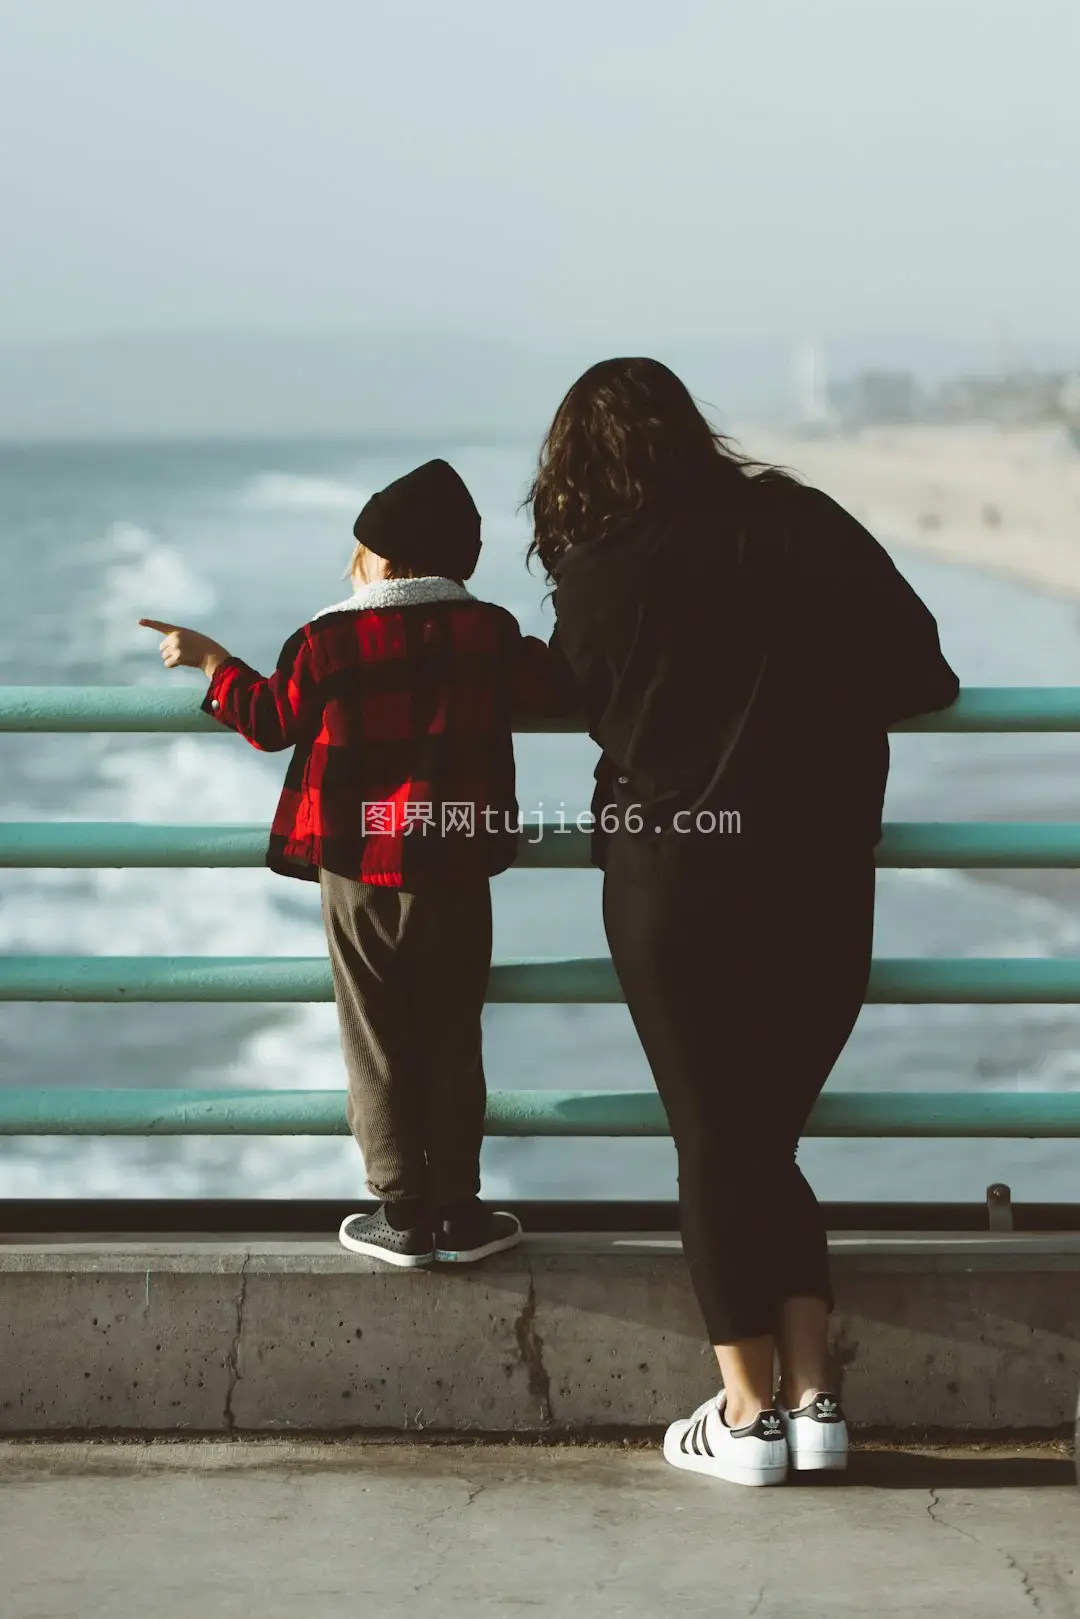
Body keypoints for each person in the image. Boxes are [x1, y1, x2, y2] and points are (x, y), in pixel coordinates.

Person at [529, 358, 960, 1487]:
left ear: (578, 463)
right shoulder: (799, 520)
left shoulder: (601, 570)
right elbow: (925, 668)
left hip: (675, 876)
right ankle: (816, 1402)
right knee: (763, 1138)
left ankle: (749, 1412)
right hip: (820, 873)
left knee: (717, 1142)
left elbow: (577, 695)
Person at [141, 457, 570, 1268]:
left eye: (359, 550)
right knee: (452, 1033)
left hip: (358, 868)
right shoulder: (488, 633)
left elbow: (270, 720)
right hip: (455, 865)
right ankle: (461, 1211)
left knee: (375, 1035)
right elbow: (556, 687)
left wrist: (209, 661)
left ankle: (399, 1208)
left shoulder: (326, 640)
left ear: (382, 559)